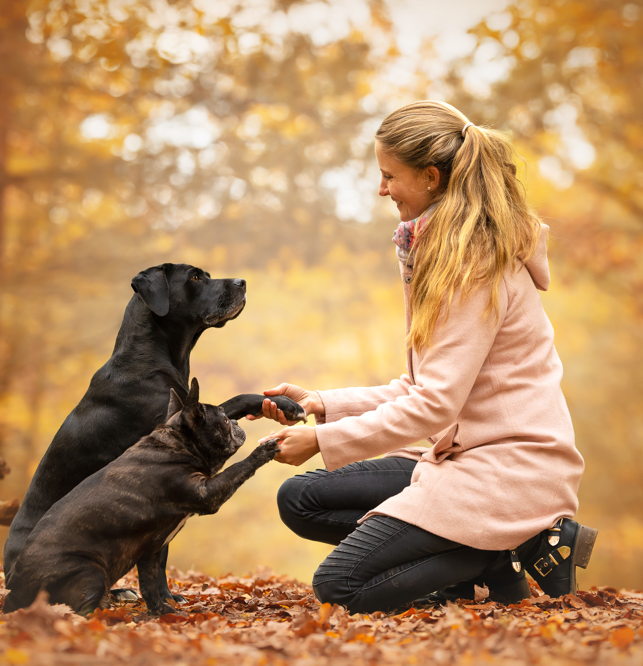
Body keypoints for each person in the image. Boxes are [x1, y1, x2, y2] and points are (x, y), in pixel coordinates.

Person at [250, 100, 596, 613]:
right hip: (460, 453)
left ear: (431, 177)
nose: (381, 188)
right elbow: (422, 389)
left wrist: (322, 439)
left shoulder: (471, 265)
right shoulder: (438, 250)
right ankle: (481, 558)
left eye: (390, 176)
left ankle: (492, 555)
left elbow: (434, 405)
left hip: (509, 471)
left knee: (340, 586)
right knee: (300, 499)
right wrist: (323, 404)